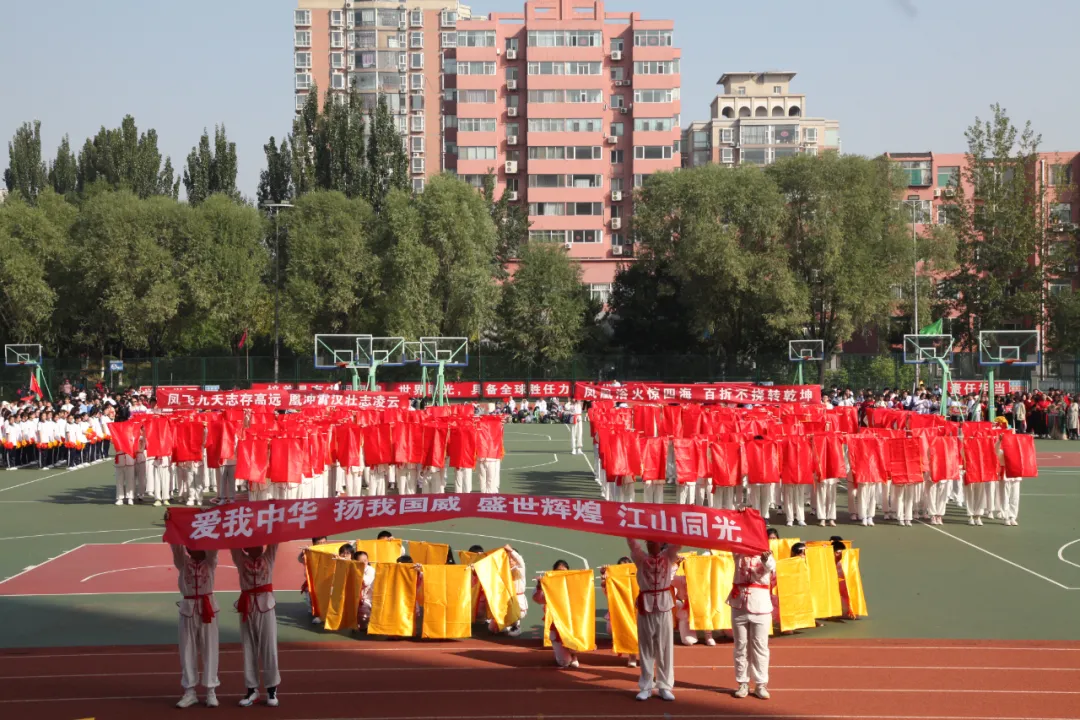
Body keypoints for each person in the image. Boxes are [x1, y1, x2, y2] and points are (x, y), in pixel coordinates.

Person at [626, 537, 681, 702]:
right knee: (646, 648)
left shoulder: (668, 556)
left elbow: (677, 543)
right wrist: (629, 527)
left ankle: (664, 686)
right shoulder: (640, 558)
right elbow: (632, 544)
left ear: (661, 542)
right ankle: (646, 687)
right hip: (646, 606)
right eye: (649, 541)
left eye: (655, 541)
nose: (652, 544)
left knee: (665, 648)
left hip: (664, 606)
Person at [170, 539, 220, 708]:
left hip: (208, 609)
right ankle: (189, 692)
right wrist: (172, 526)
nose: (198, 549)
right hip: (188, 609)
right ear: (188, 550)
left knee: (210, 649)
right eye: (192, 546)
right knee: (187, 650)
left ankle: (211, 691)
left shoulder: (210, 562)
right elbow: (176, 547)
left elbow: (214, 547)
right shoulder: (182, 563)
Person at [230, 544, 281, 707]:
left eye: (260, 543)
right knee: (248, 648)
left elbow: (275, 540)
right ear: (245, 547)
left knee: (269, 649)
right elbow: (233, 544)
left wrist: (276, 518)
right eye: (253, 543)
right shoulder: (240, 559)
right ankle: (252, 690)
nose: (258, 546)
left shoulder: (268, 557)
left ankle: (272, 689)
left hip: (266, 607)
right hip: (247, 606)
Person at [728, 548, 776, 700]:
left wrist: (765, 558)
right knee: (740, 646)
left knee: (760, 646)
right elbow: (731, 543)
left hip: (760, 606)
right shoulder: (738, 553)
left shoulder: (767, 555)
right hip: (739, 605)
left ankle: (761, 684)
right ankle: (743, 683)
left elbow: (771, 567)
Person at [532, 559, 579, 668]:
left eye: (564, 571)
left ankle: (574, 655)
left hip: (572, 625)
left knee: (577, 644)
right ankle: (564, 655)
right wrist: (539, 586)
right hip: (556, 626)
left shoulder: (574, 584)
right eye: (558, 571)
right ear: (553, 572)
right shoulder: (548, 585)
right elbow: (539, 599)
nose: (561, 573)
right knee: (564, 663)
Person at [600, 556, 639, 667]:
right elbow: (607, 592)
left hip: (637, 613)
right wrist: (605, 576)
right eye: (621, 567)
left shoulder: (638, 578)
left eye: (626, 566)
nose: (624, 569)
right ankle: (629, 650)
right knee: (611, 628)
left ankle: (636, 654)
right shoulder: (614, 582)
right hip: (620, 614)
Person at [353, 550, 375, 631]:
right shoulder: (353, 568)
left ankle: (366, 626)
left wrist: (359, 571)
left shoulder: (370, 570)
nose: (364, 563)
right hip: (358, 597)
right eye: (361, 561)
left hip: (369, 597)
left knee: (364, 615)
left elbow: (366, 582)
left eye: (365, 560)